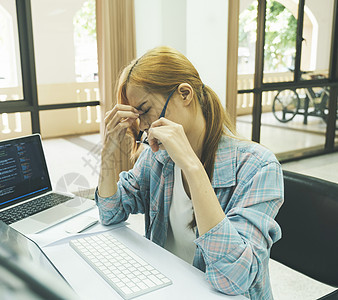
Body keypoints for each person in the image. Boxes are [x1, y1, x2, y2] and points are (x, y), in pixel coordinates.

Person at [95, 46, 283, 299]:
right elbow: (111, 212)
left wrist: (192, 166)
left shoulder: (258, 166)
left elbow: (234, 278)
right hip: (169, 286)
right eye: (136, 116)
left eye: (145, 110)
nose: (144, 126)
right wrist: (108, 151)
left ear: (185, 94)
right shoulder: (157, 155)